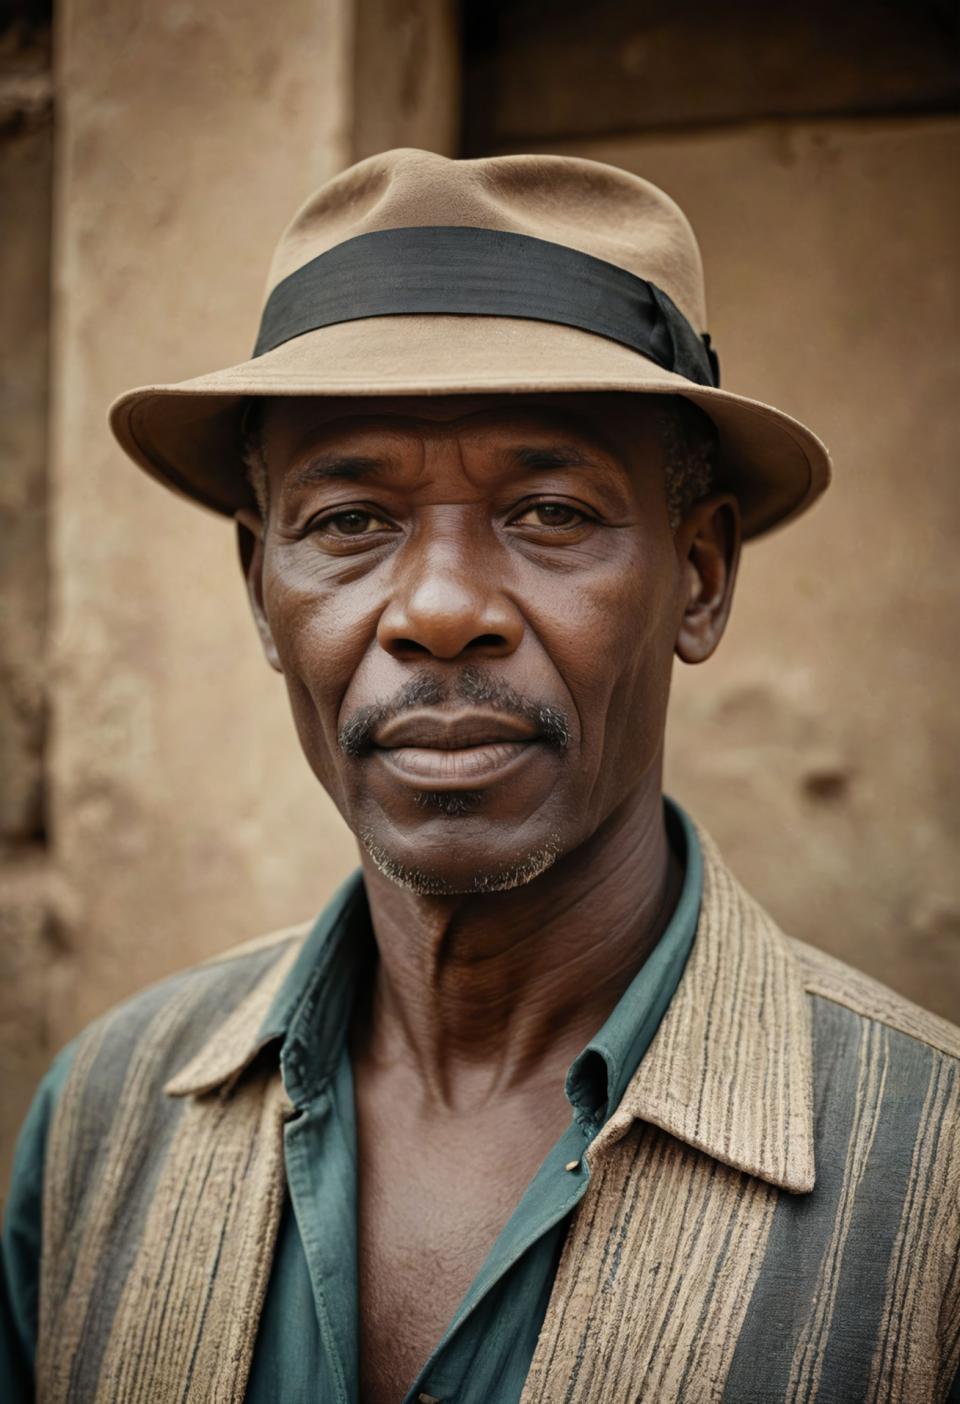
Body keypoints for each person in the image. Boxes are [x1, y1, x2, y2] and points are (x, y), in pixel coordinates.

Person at [2, 148, 958, 1404]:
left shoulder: (930, 1187)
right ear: (260, 591)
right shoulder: (102, 1125)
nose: (442, 611)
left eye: (551, 510)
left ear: (701, 575)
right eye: (350, 522)